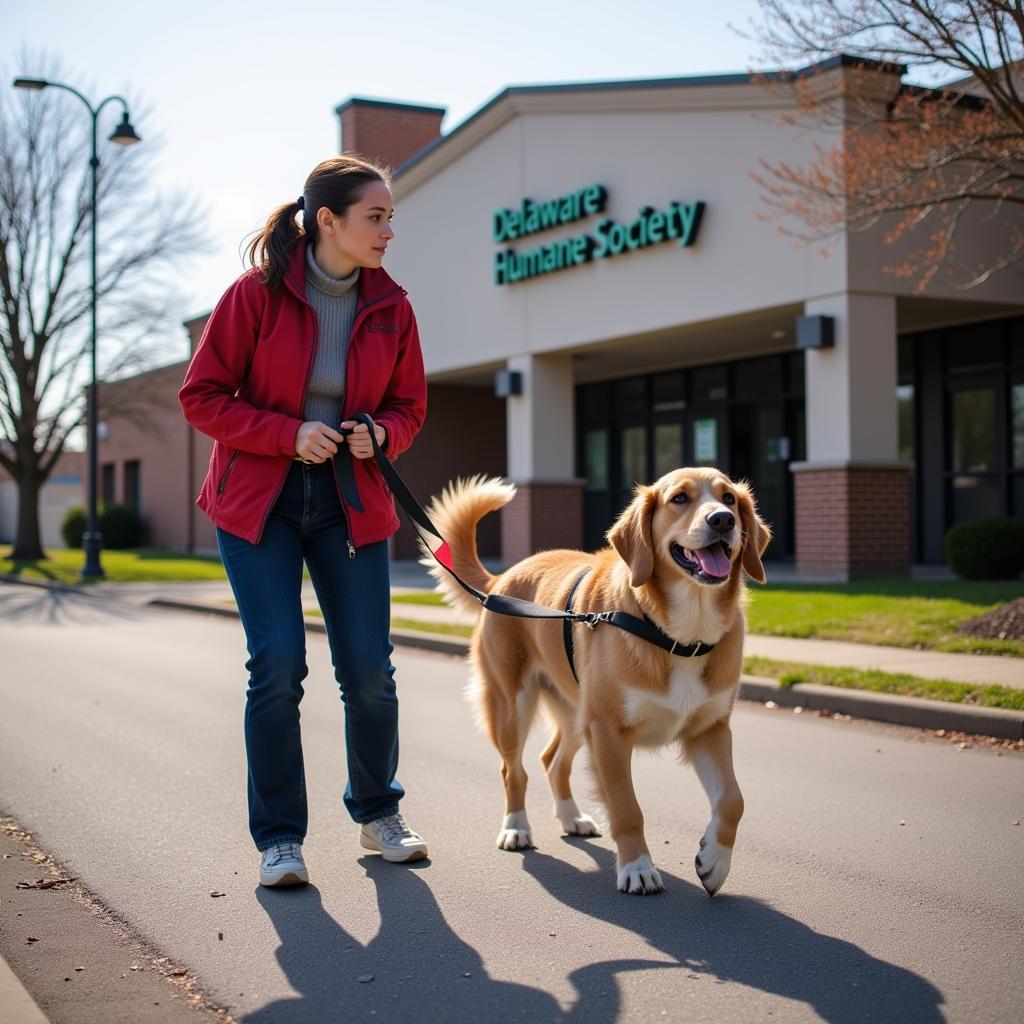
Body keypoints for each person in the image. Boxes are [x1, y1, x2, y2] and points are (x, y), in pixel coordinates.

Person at [179, 155, 428, 887]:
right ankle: (280, 839)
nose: (388, 231)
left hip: (351, 507)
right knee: (278, 666)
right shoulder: (253, 297)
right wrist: (286, 434)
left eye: (390, 218)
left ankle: (379, 813)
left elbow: (409, 407)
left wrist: (379, 434)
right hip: (261, 504)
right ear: (328, 221)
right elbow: (202, 397)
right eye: (374, 217)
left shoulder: (394, 309)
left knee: (369, 673)